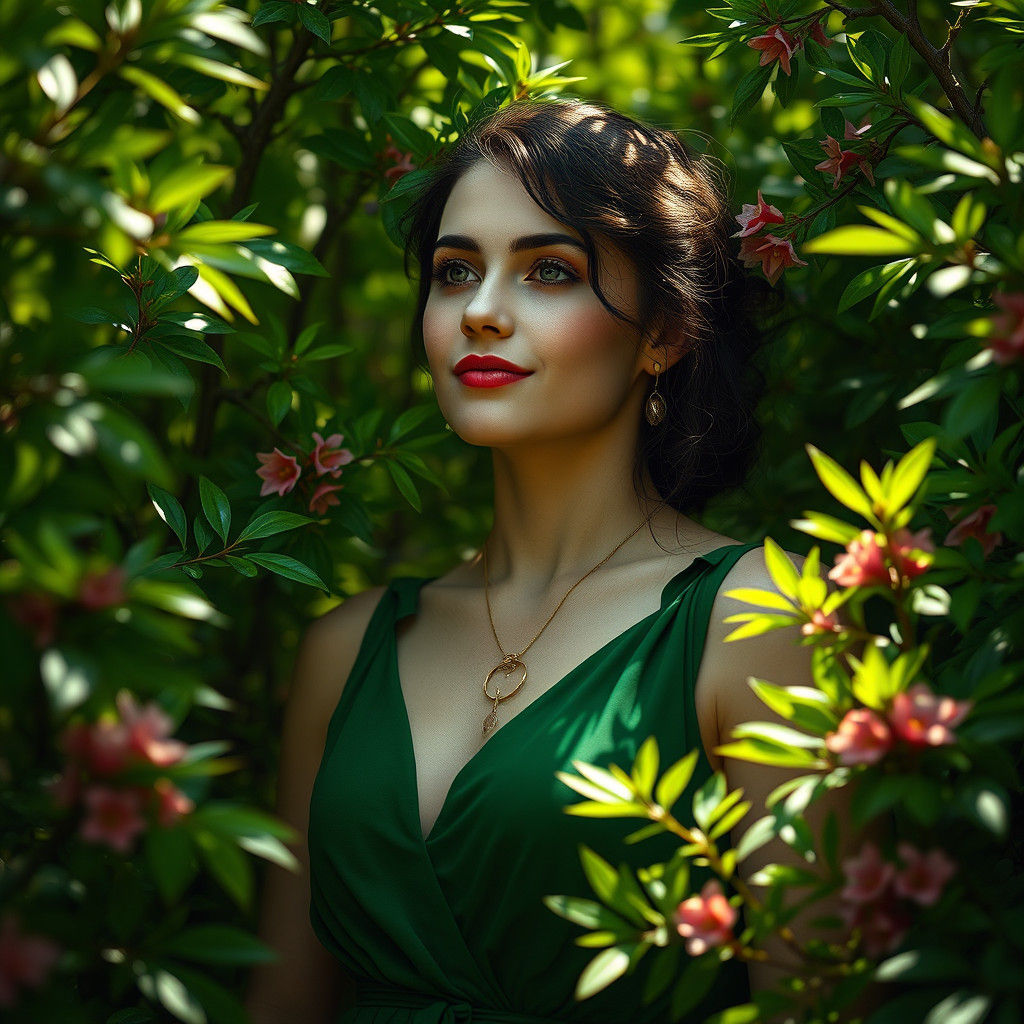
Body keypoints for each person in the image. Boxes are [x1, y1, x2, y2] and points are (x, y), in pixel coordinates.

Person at [245, 98, 832, 1024]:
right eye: (454, 272)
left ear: (664, 334)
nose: (481, 312)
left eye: (548, 271)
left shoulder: (755, 622)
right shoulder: (345, 650)